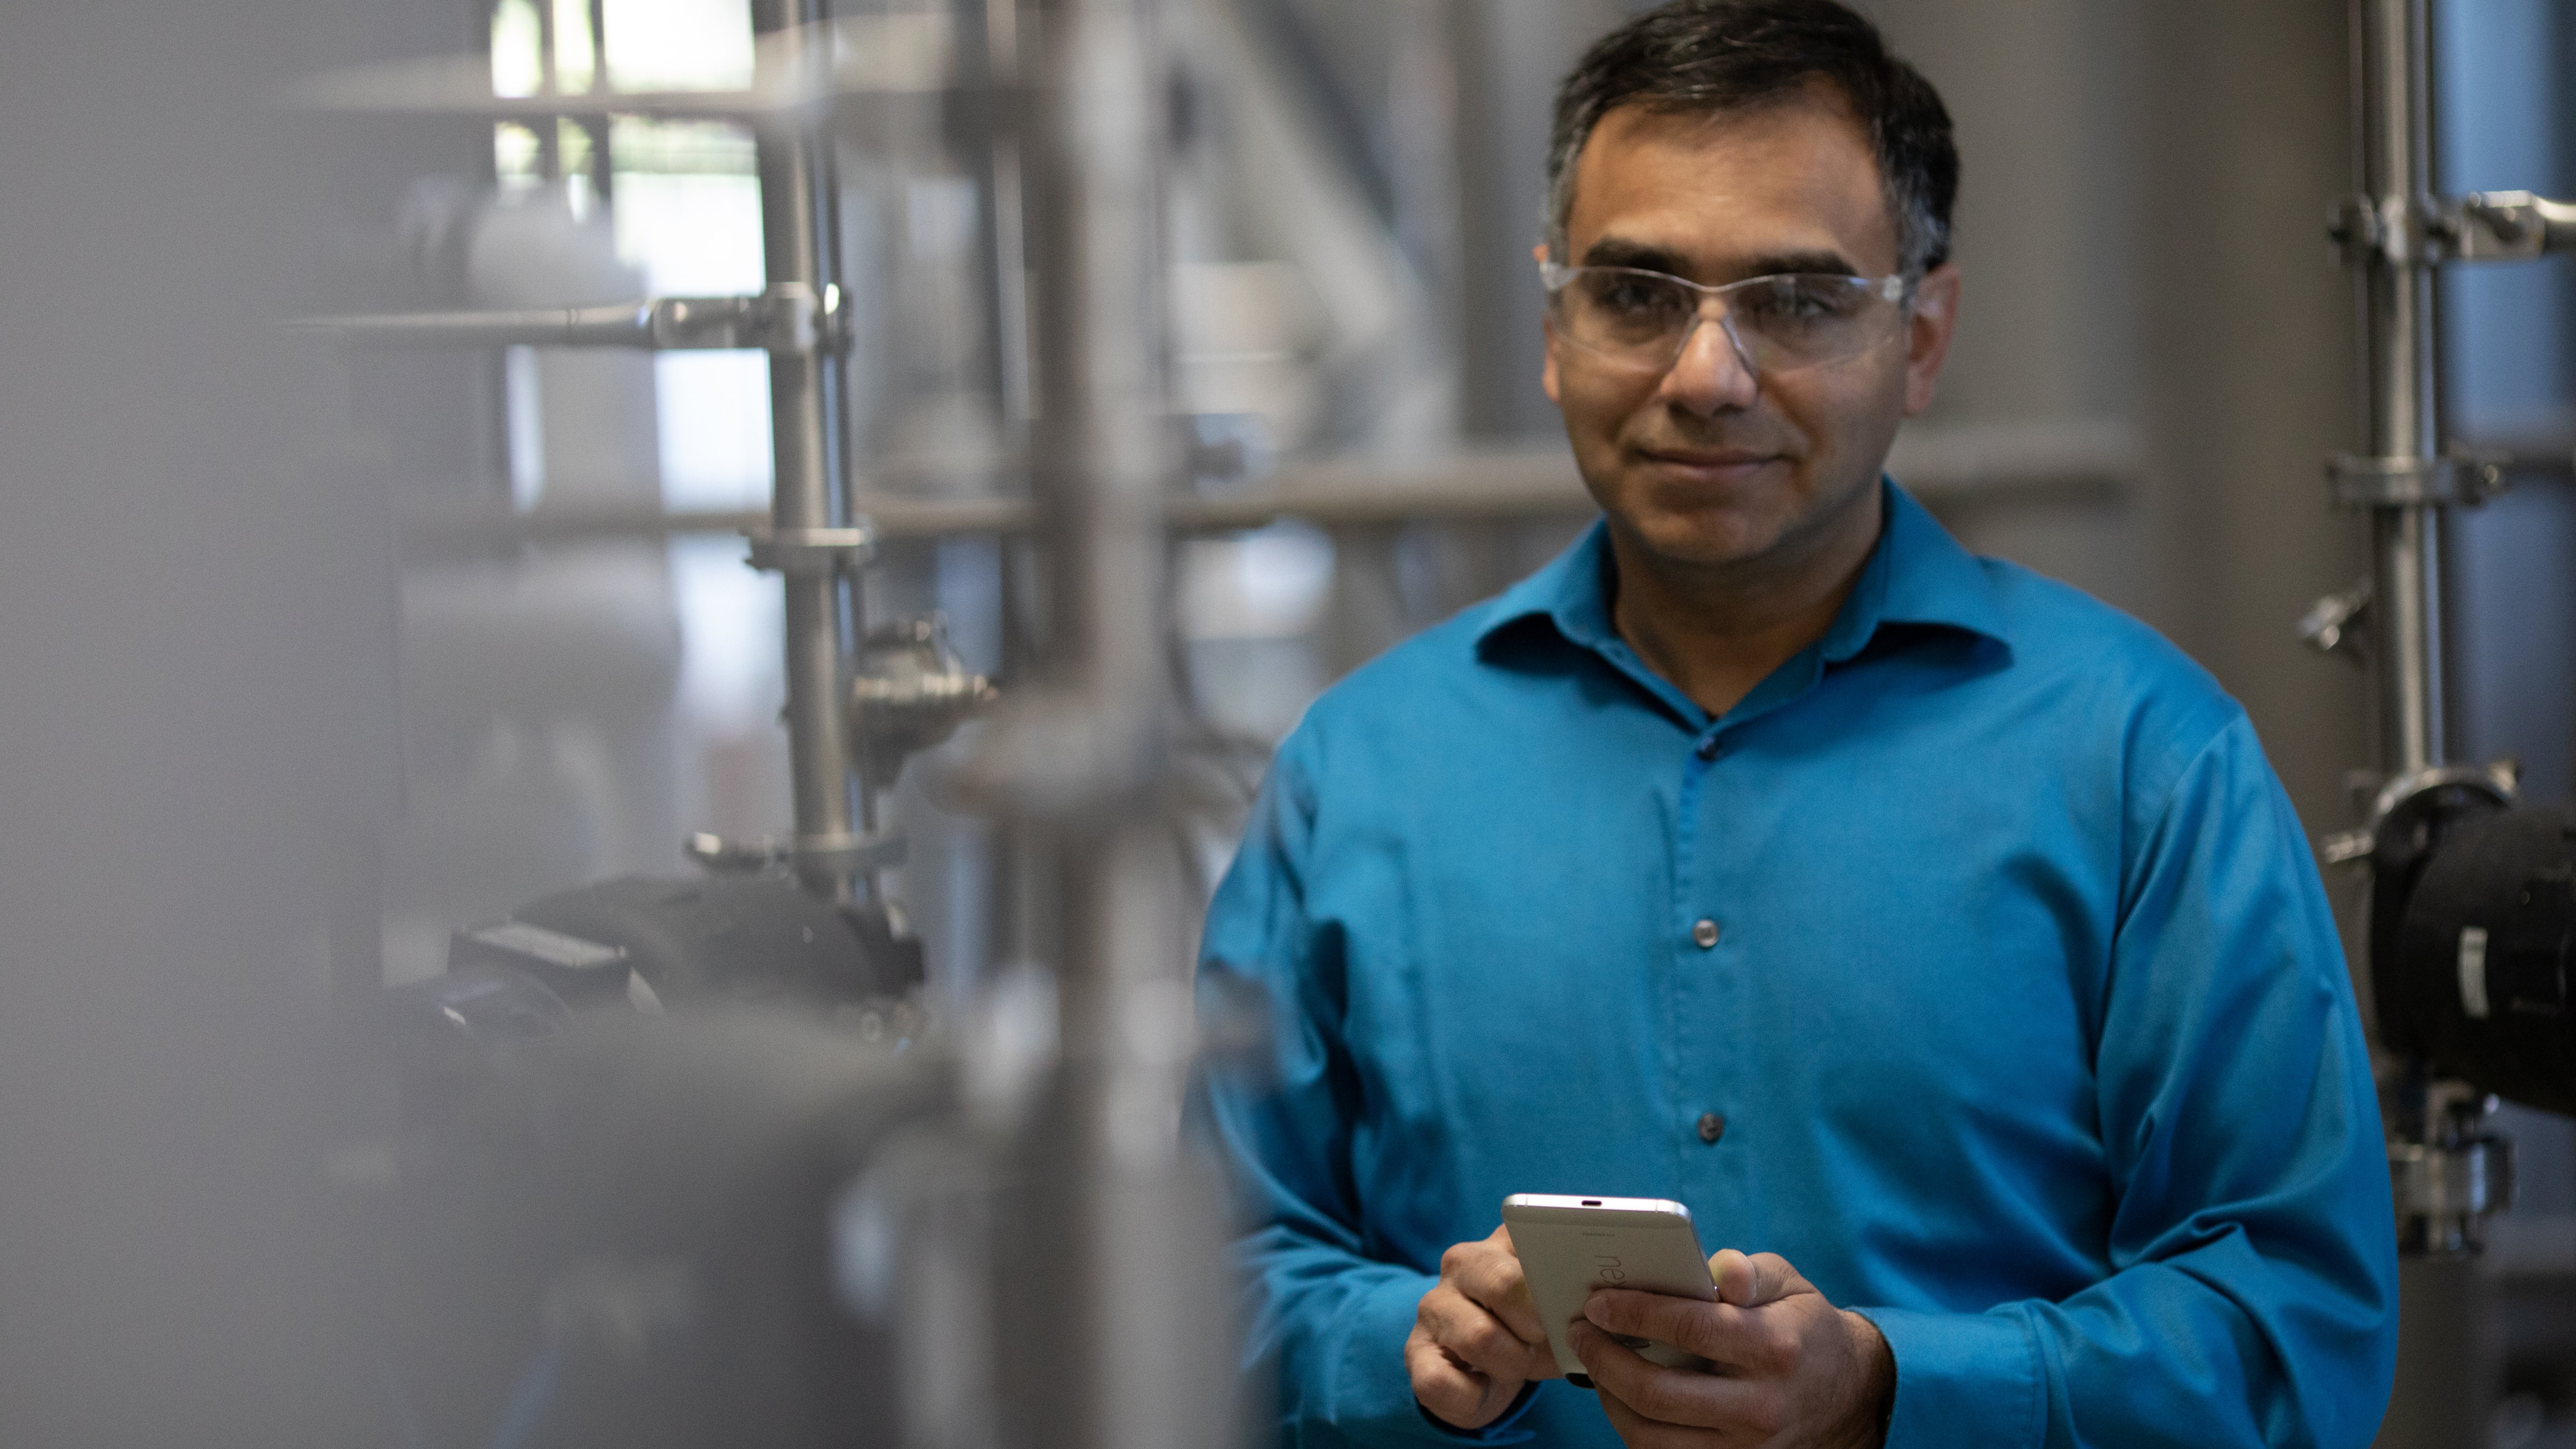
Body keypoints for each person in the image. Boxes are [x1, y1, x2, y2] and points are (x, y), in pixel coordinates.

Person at [1192, 1, 2399, 1445]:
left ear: (1926, 334)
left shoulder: (2145, 764)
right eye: (1637, 293)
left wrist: (1892, 1388)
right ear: (1552, 328)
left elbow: (2294, 1329)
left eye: (1797, 300)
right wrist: (1404, 1343)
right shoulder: (1360, 773)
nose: (1707, 376)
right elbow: (1196, 1285)